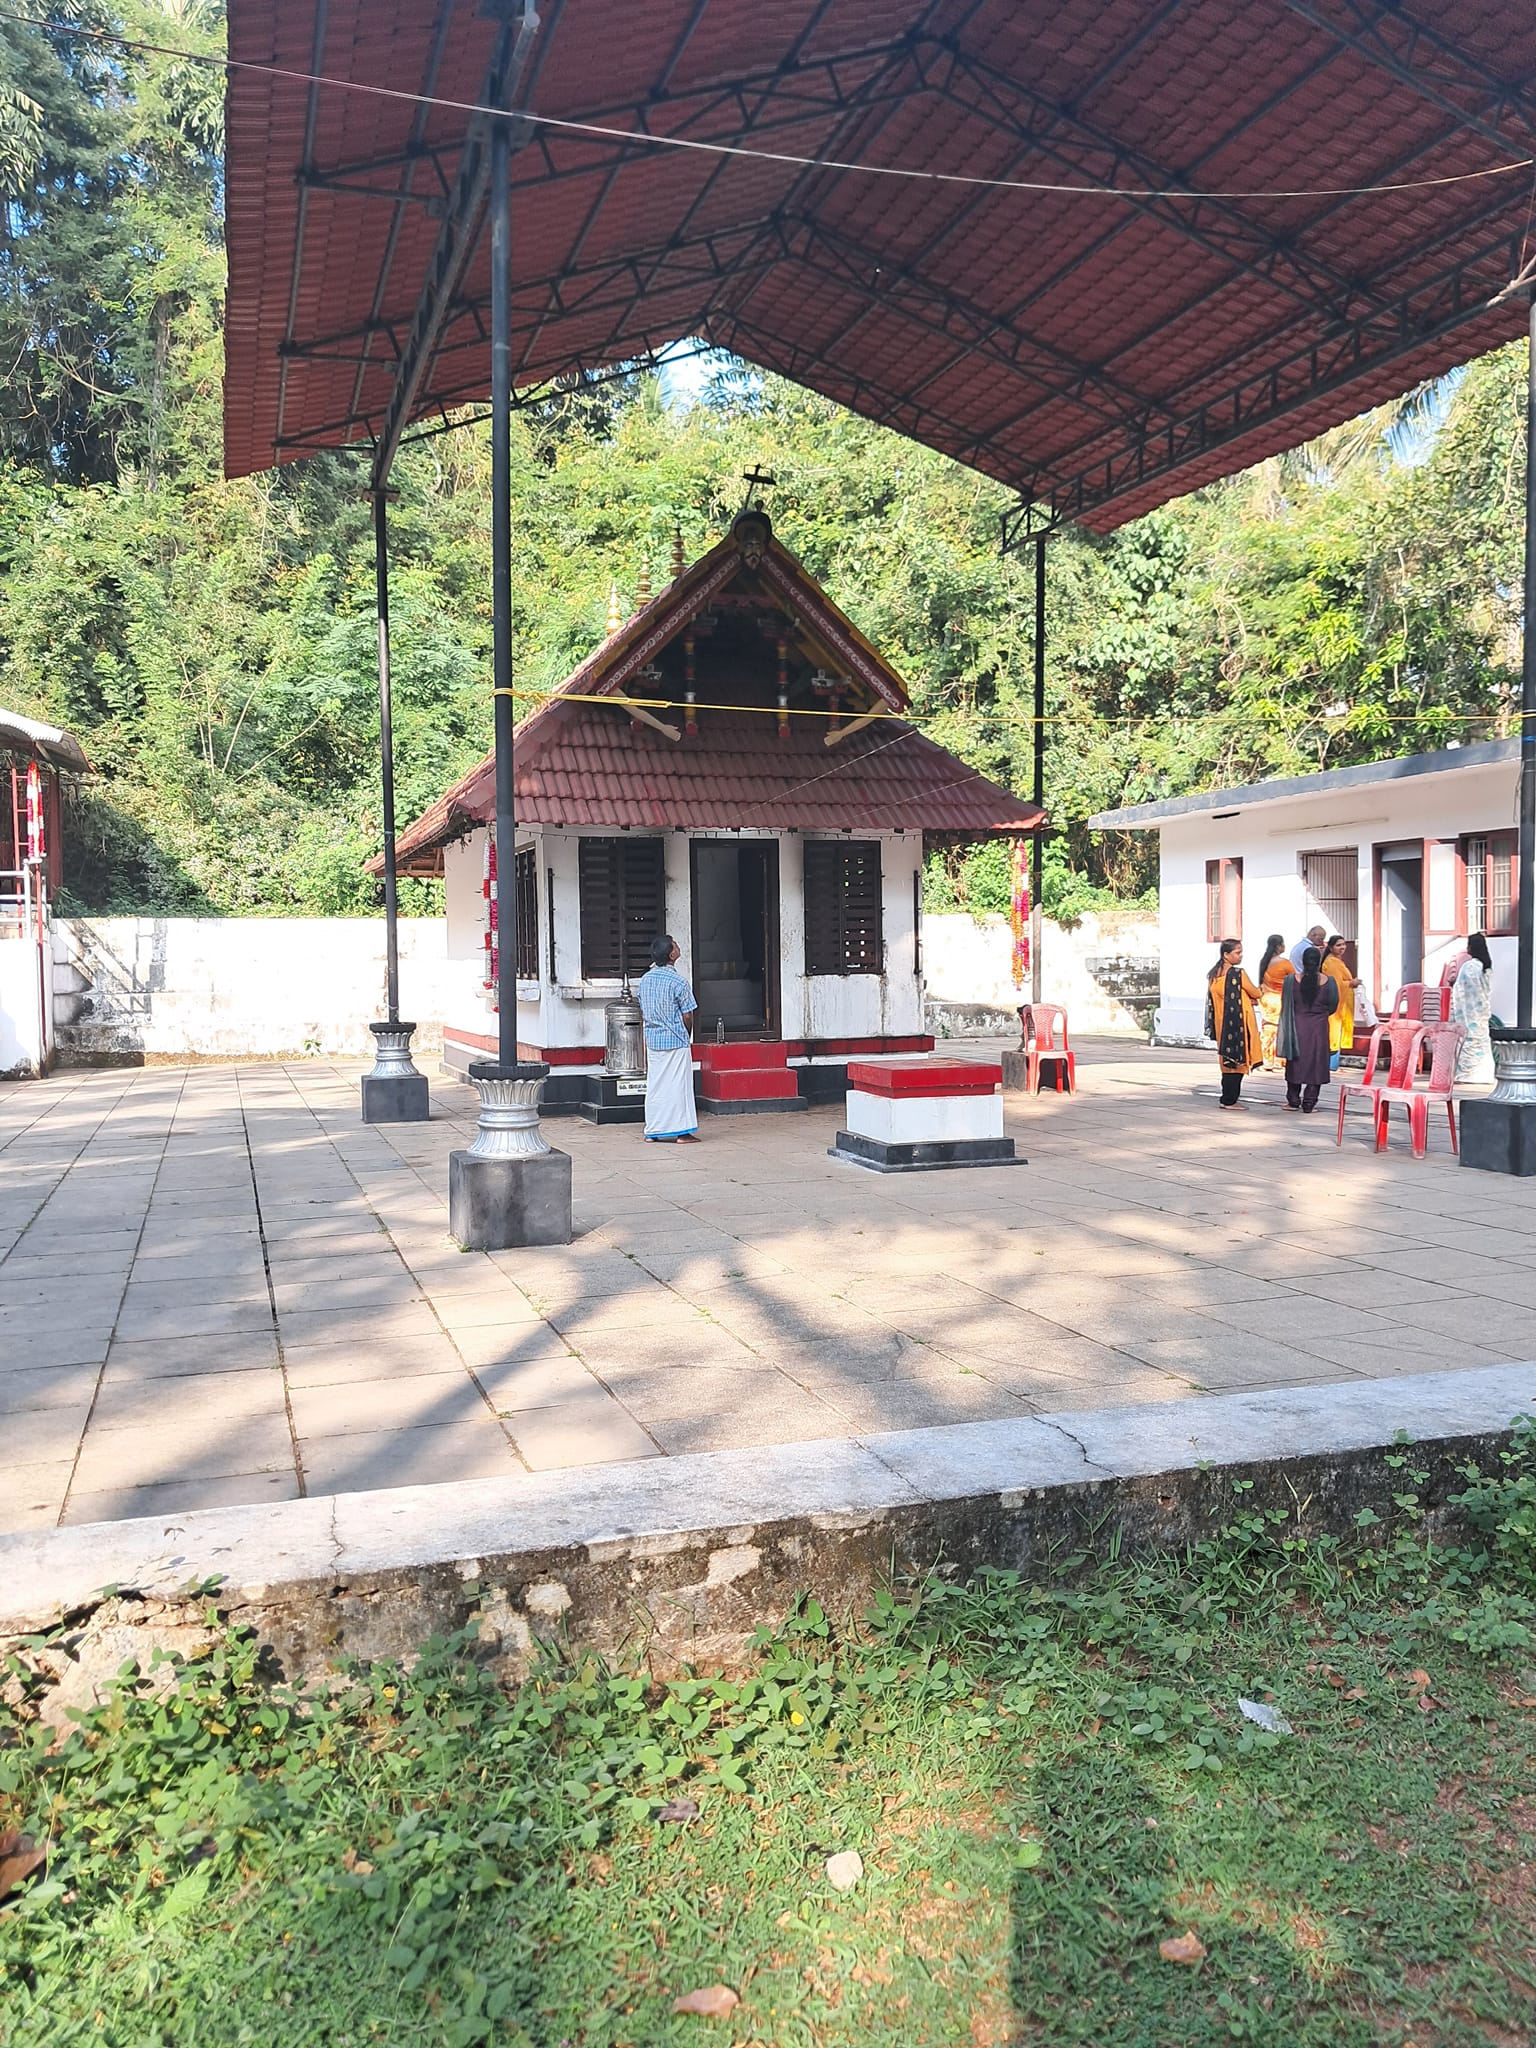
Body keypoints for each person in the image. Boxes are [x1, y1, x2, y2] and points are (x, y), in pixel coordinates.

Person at [636, 934, 700, 1143]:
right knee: (678, 1087)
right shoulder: (679, 982)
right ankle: (681, 1132)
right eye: (675, 944)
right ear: (672, 954)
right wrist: (686, 1034)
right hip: (676, 1040)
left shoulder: (645, 980)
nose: (678, 946)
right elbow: (688, 1014)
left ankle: (652, 1131)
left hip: (654, 1040)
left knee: (656, 1086)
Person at [1277, 945, 1338, 1112]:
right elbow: (1333, 1005)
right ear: (1319, 962)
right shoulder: (1329, 982)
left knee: (1296, 1061)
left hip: (1296, 1026)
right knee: (1316, 1063)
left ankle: (1293, 1100)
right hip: (1318, 1027)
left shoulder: (1290, 981)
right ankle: (1309, 1103)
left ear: (1302, 962)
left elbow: (1286, 1002)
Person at [1205, 938, 1262, 1109]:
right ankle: (1230, 1100)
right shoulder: (1238, 974)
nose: (1240, 956)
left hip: (1222, 1024)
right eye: (1237, 952)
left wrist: (1247, 998)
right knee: (1238, 1061)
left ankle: (1227, 1098)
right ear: (1226, 954)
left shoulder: (1214, 975)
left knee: (1227, 1062)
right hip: (1239, 1024)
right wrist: (1253, 996)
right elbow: (1256, 992)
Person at [1450, 932, 1495, 1084]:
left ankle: (1466, 1076)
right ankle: (1484, 1075)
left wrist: (1452, 984)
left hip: (1468, 1012)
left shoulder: (1469, 967)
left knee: (1468, 1039)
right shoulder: (1486, 967)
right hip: (1481, 1012)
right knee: (1481, 1040)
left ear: (1471, 947)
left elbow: (1462, 989)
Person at [1320, 936, 1360, 1070]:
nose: (1342, 947)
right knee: (1333, 1031)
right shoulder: (1331, 962)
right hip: (1336, 1003)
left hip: (1342, 1003)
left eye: (1343, 944)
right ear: (1331, 947)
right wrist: (1351, 983)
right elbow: (1335, 984)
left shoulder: (1337, 961)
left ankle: (1332, 1064)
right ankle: (1331, 1064)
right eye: (1338, 945)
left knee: (1337, 1030)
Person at [1256, 934, 1294, 1071]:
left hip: (1266, 999)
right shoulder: (1285, 963)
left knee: (1267, 1030)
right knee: (1281, 1031)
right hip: (1280, 1000)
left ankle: (1266, 1060)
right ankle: (1279, 1060)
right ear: (1279, 946)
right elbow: (1294, 981)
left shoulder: (1264, 961)